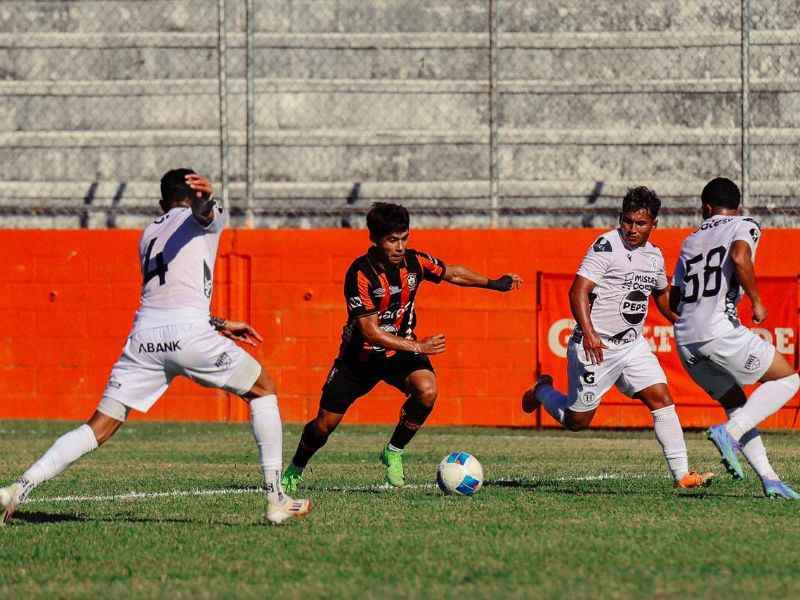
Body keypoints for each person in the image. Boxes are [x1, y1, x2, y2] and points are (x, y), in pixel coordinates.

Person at [0, 169, 311, 525]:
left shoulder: (148, 234)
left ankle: (18, 487)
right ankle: (276, 500)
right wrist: (207, 200)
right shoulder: (201, 216)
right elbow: (206, 215)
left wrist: (221, 324)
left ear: (161, 202)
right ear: (190, 196)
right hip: (189, 334)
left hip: (145, 337)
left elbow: (168, 295)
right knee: (263, 390)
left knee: (97, 427)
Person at [281, 202, 522, 491]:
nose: (399, 246)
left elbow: (452, 273)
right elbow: (370, 332)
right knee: (323, 426)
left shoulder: (415, 262)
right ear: (375, 240)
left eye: (404, 238)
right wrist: (418, 346)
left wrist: (495, 283)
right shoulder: (360, 274)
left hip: (401, 353)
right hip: (360, 360)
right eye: (392, 240)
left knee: (427, 390)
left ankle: (394, 451)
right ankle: (295, 469)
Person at [523, 187, 712, 489]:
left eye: (640, 223)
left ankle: (683, 476)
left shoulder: (654, 256)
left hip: (632, 346)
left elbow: (662, 294)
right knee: (577, 422)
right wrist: (589, 333)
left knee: (662, 400)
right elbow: (578, 291)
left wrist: (680, 321)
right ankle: (542, 391)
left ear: (654, 224)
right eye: (627, 221)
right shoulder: (606, 246)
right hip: (596, 347)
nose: (632, 229)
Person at [670, 177, 799, 499]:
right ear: (737, 206)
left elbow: (674, 299)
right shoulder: (745, 223)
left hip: (686, 340)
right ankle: (729, 433)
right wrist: (756, 300)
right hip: (718, 331)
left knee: (737, 403)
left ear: (705, 207)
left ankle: (770, 479)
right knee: (788, 381)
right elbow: (740, 257)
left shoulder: (689, 240)